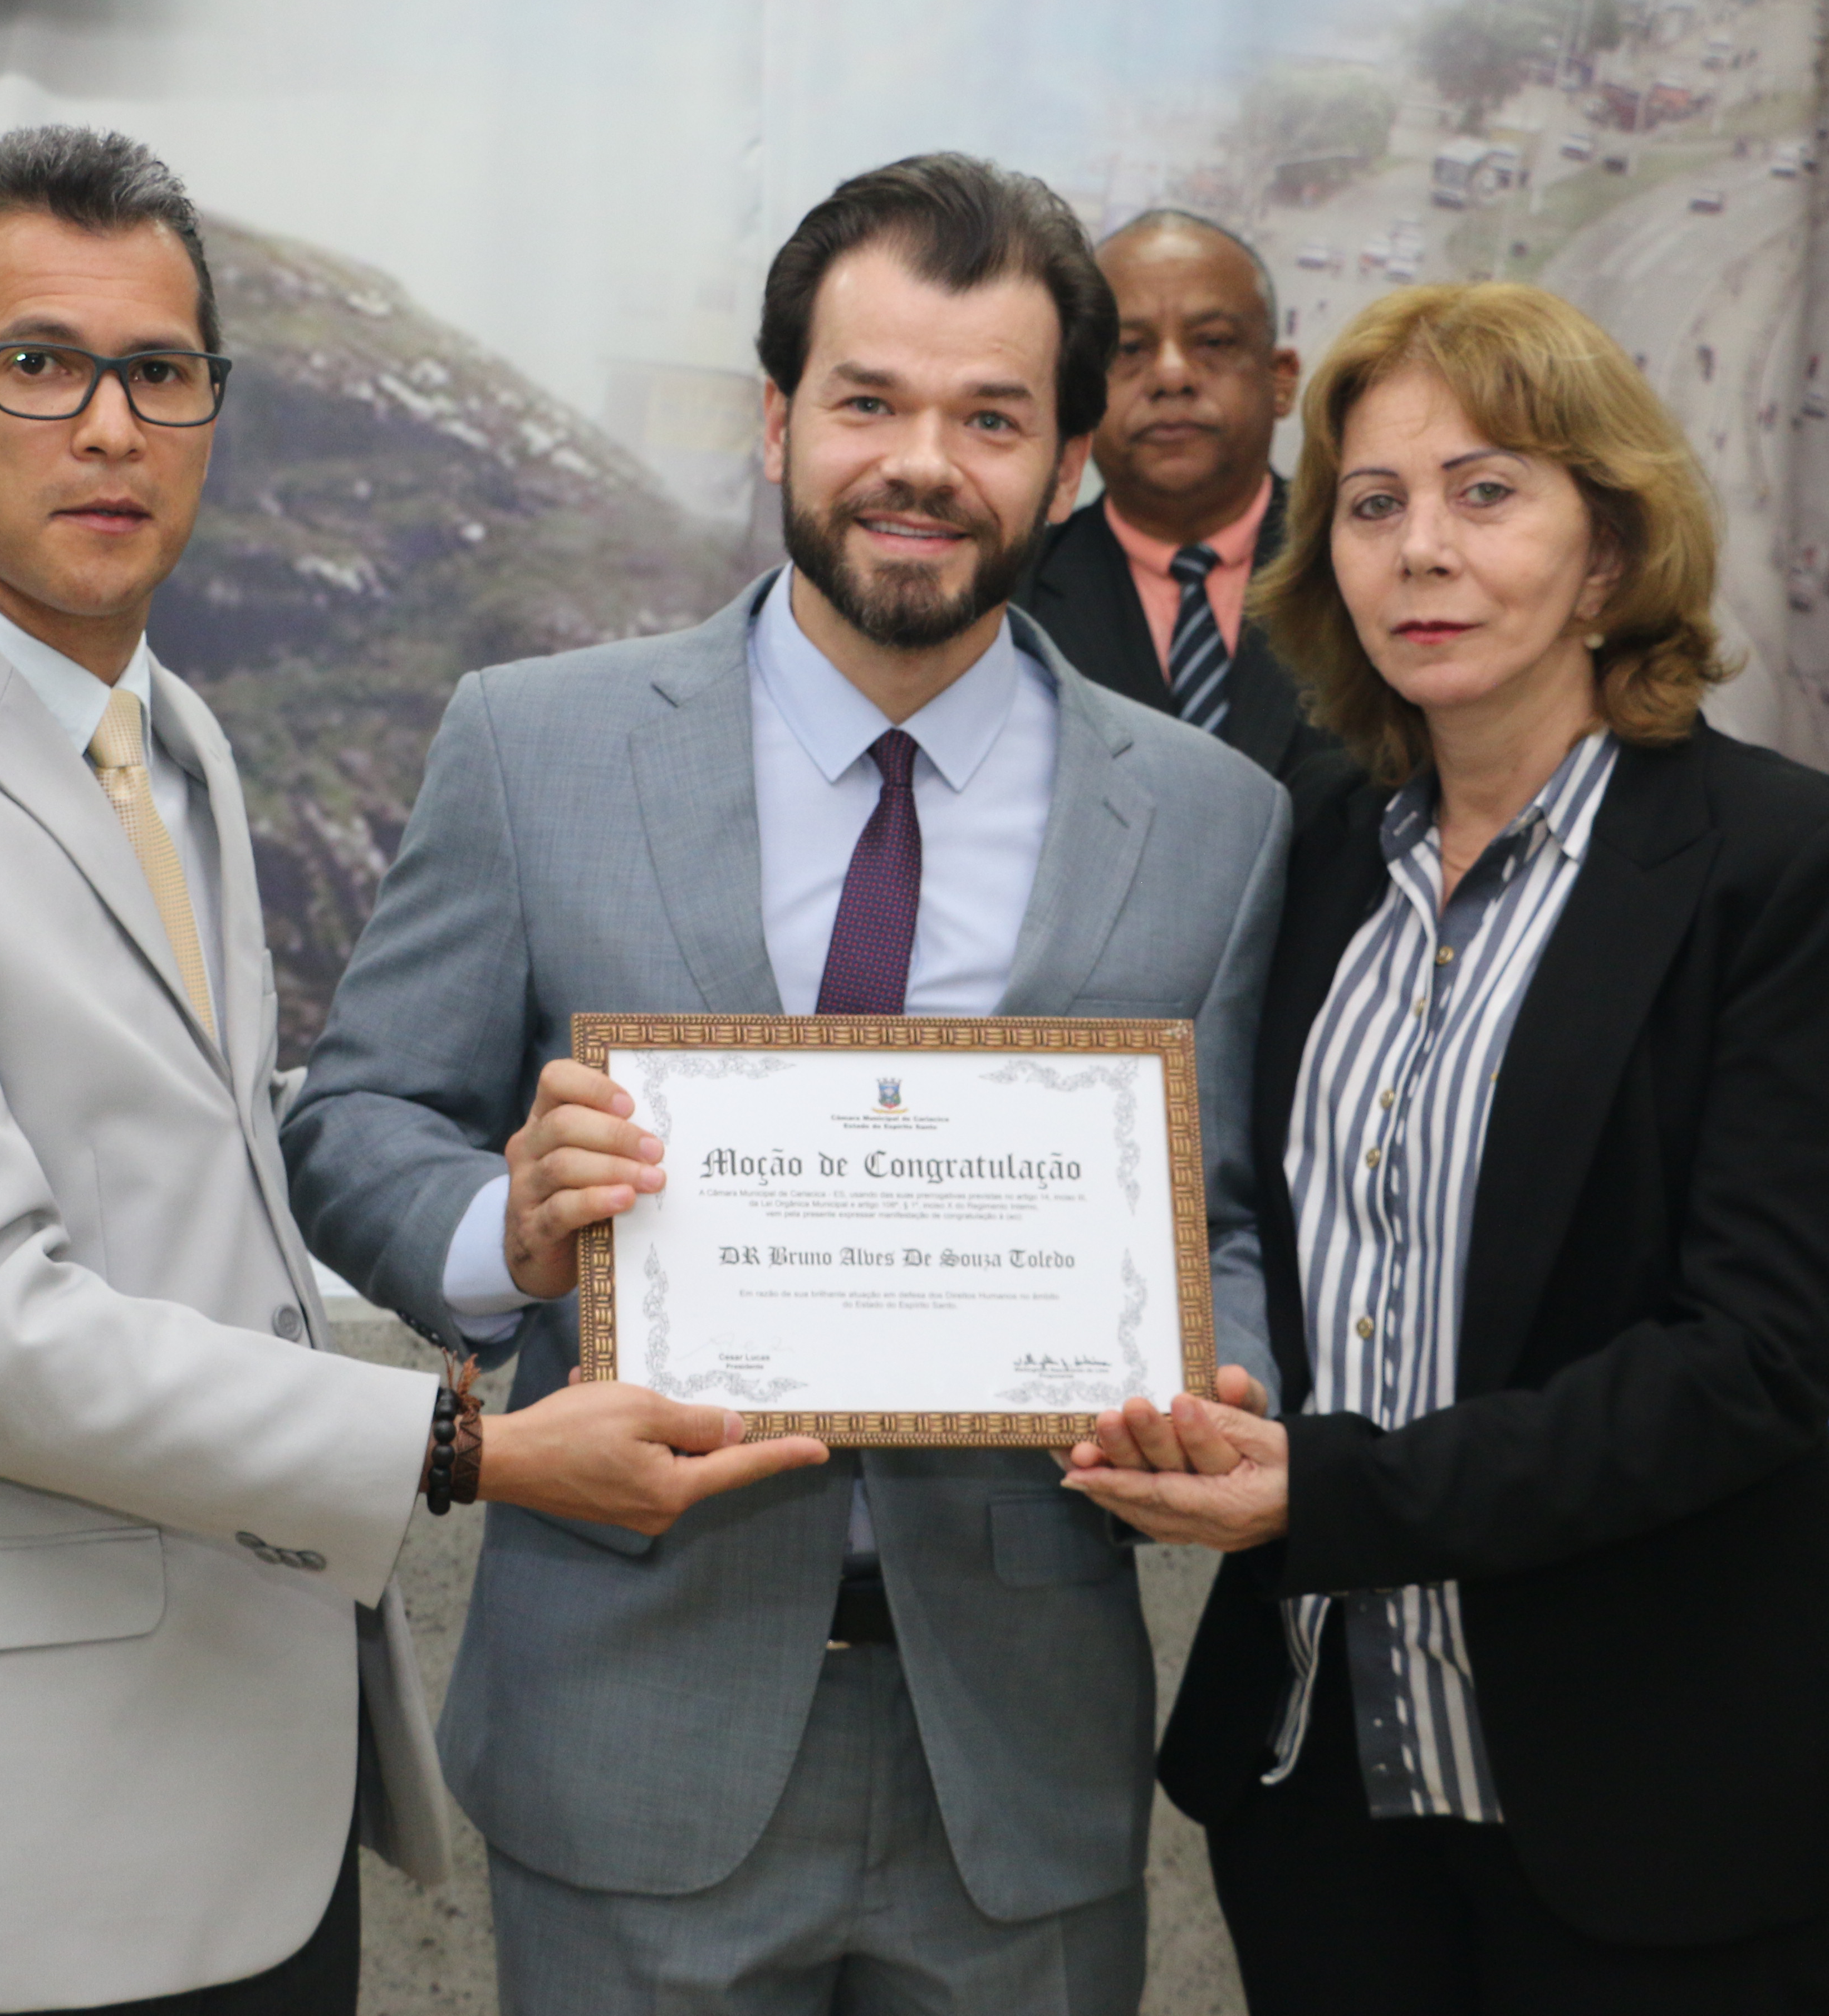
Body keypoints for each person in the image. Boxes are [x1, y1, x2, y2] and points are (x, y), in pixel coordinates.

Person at [0, 128, 820, 2016]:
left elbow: (200, 1164)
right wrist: (466, 1447)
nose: (111, 427)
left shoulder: (166, 725)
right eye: (41, 364)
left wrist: (514, 1233)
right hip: (14, 1845)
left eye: (162, 372)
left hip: (262, 1798)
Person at [284, 153, 1288, 2014]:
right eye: (868, 401)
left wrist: (1230, 1401)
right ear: (776, 421)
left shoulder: (1212, 818)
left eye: (991, 416)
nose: (923, 463)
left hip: (1019, 1762)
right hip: (629, 1731)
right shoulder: (537, 745)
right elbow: (352, 1123)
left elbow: (1220, 1218)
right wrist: (507, 1230)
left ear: (1070, 459)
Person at [1063, 281, 1829, 2014]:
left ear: (1610, 555)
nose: (1422, 548)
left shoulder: (1786, 868)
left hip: (1669, 1805)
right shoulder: (1309, 852)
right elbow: (1222, 1214)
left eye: (1487, 492)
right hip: (1322, 1795)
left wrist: (1332, 1493)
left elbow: (1756, 1360)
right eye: (1374, 501)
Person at [1018, 211, 1335, 779]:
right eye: (1128, 349)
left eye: (1212, 342)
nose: (1171, 376)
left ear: (1282, 379)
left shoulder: (1359, 567)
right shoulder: (1007, 602)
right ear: (1079, 397)